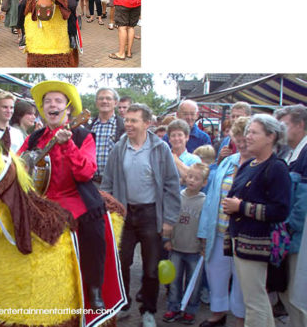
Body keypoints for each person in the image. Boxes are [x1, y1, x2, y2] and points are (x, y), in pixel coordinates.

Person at [19, 80, 107, 309]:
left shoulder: (83, 135)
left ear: (68, 108)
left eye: (58, 100)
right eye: (47, 101)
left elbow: (87, 172)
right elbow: (18, 164)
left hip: (73, 199)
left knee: (95, 231)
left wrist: (68, 147)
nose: (52, 104)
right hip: (40, 200)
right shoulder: (35, 138)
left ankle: (94, 287)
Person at [101, 103, 181, 327]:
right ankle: (123, 304)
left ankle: (148, 311)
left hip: (150, 214)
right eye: (126, 120)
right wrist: (110, 212)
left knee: (151, 268)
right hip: (124, 214)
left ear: (147, 123)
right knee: (121, 262)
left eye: (134, 120)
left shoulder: (160, 149)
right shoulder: (119, 148)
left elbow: (172, 185)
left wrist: (169, 221)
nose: (128, 124)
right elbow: (107, 183)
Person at [222, 114, 291, 327]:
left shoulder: (276, 168)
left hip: (256, 244)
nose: (248, 136)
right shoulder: (249, 164)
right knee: (254, 298)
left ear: (271, 137)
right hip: (240, 240)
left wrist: (241, 207)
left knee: (254, 301)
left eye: (254, 132)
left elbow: (280, 210)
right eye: (247, 131)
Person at [197, 116, 249, 327]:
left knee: (242, 279)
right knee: (215, 273)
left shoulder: (262, 163)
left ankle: (240, 318)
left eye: (247, 136)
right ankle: (218, 314)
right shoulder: (228, 161)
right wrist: (203, 232)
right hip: (218, 230)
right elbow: (211, 199)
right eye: (238, 136)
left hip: (243, 234)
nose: (243, 141)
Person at [163, 163, 209, 324]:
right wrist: (167, 239)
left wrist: (204, 246)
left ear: (204, 183)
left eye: (197, 179)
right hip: (176, 247)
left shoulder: (205, 201)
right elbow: (169, 219)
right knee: (174, 281)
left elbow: (206, 226)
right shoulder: (178, 196)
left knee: (193, 282)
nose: (192, 180)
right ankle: (173, 307)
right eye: (190, 176)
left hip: (194, 250)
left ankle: (190, 309)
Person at [276, 104, 307, 326]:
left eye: (284, 125)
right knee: (286, 289)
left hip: (298, 237)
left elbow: (303, 199)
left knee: (299, 291)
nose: (280, 130)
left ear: (301, 125)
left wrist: (289, 227)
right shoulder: (288, 152)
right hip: (288, 234)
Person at [86, 87, 126, 181]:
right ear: (96, 103)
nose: (104, 101)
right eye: (101, 98)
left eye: (108, 98)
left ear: (115, 103)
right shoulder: (88, 127)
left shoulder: (123, 126)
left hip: (115, 182)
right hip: (91, 182)